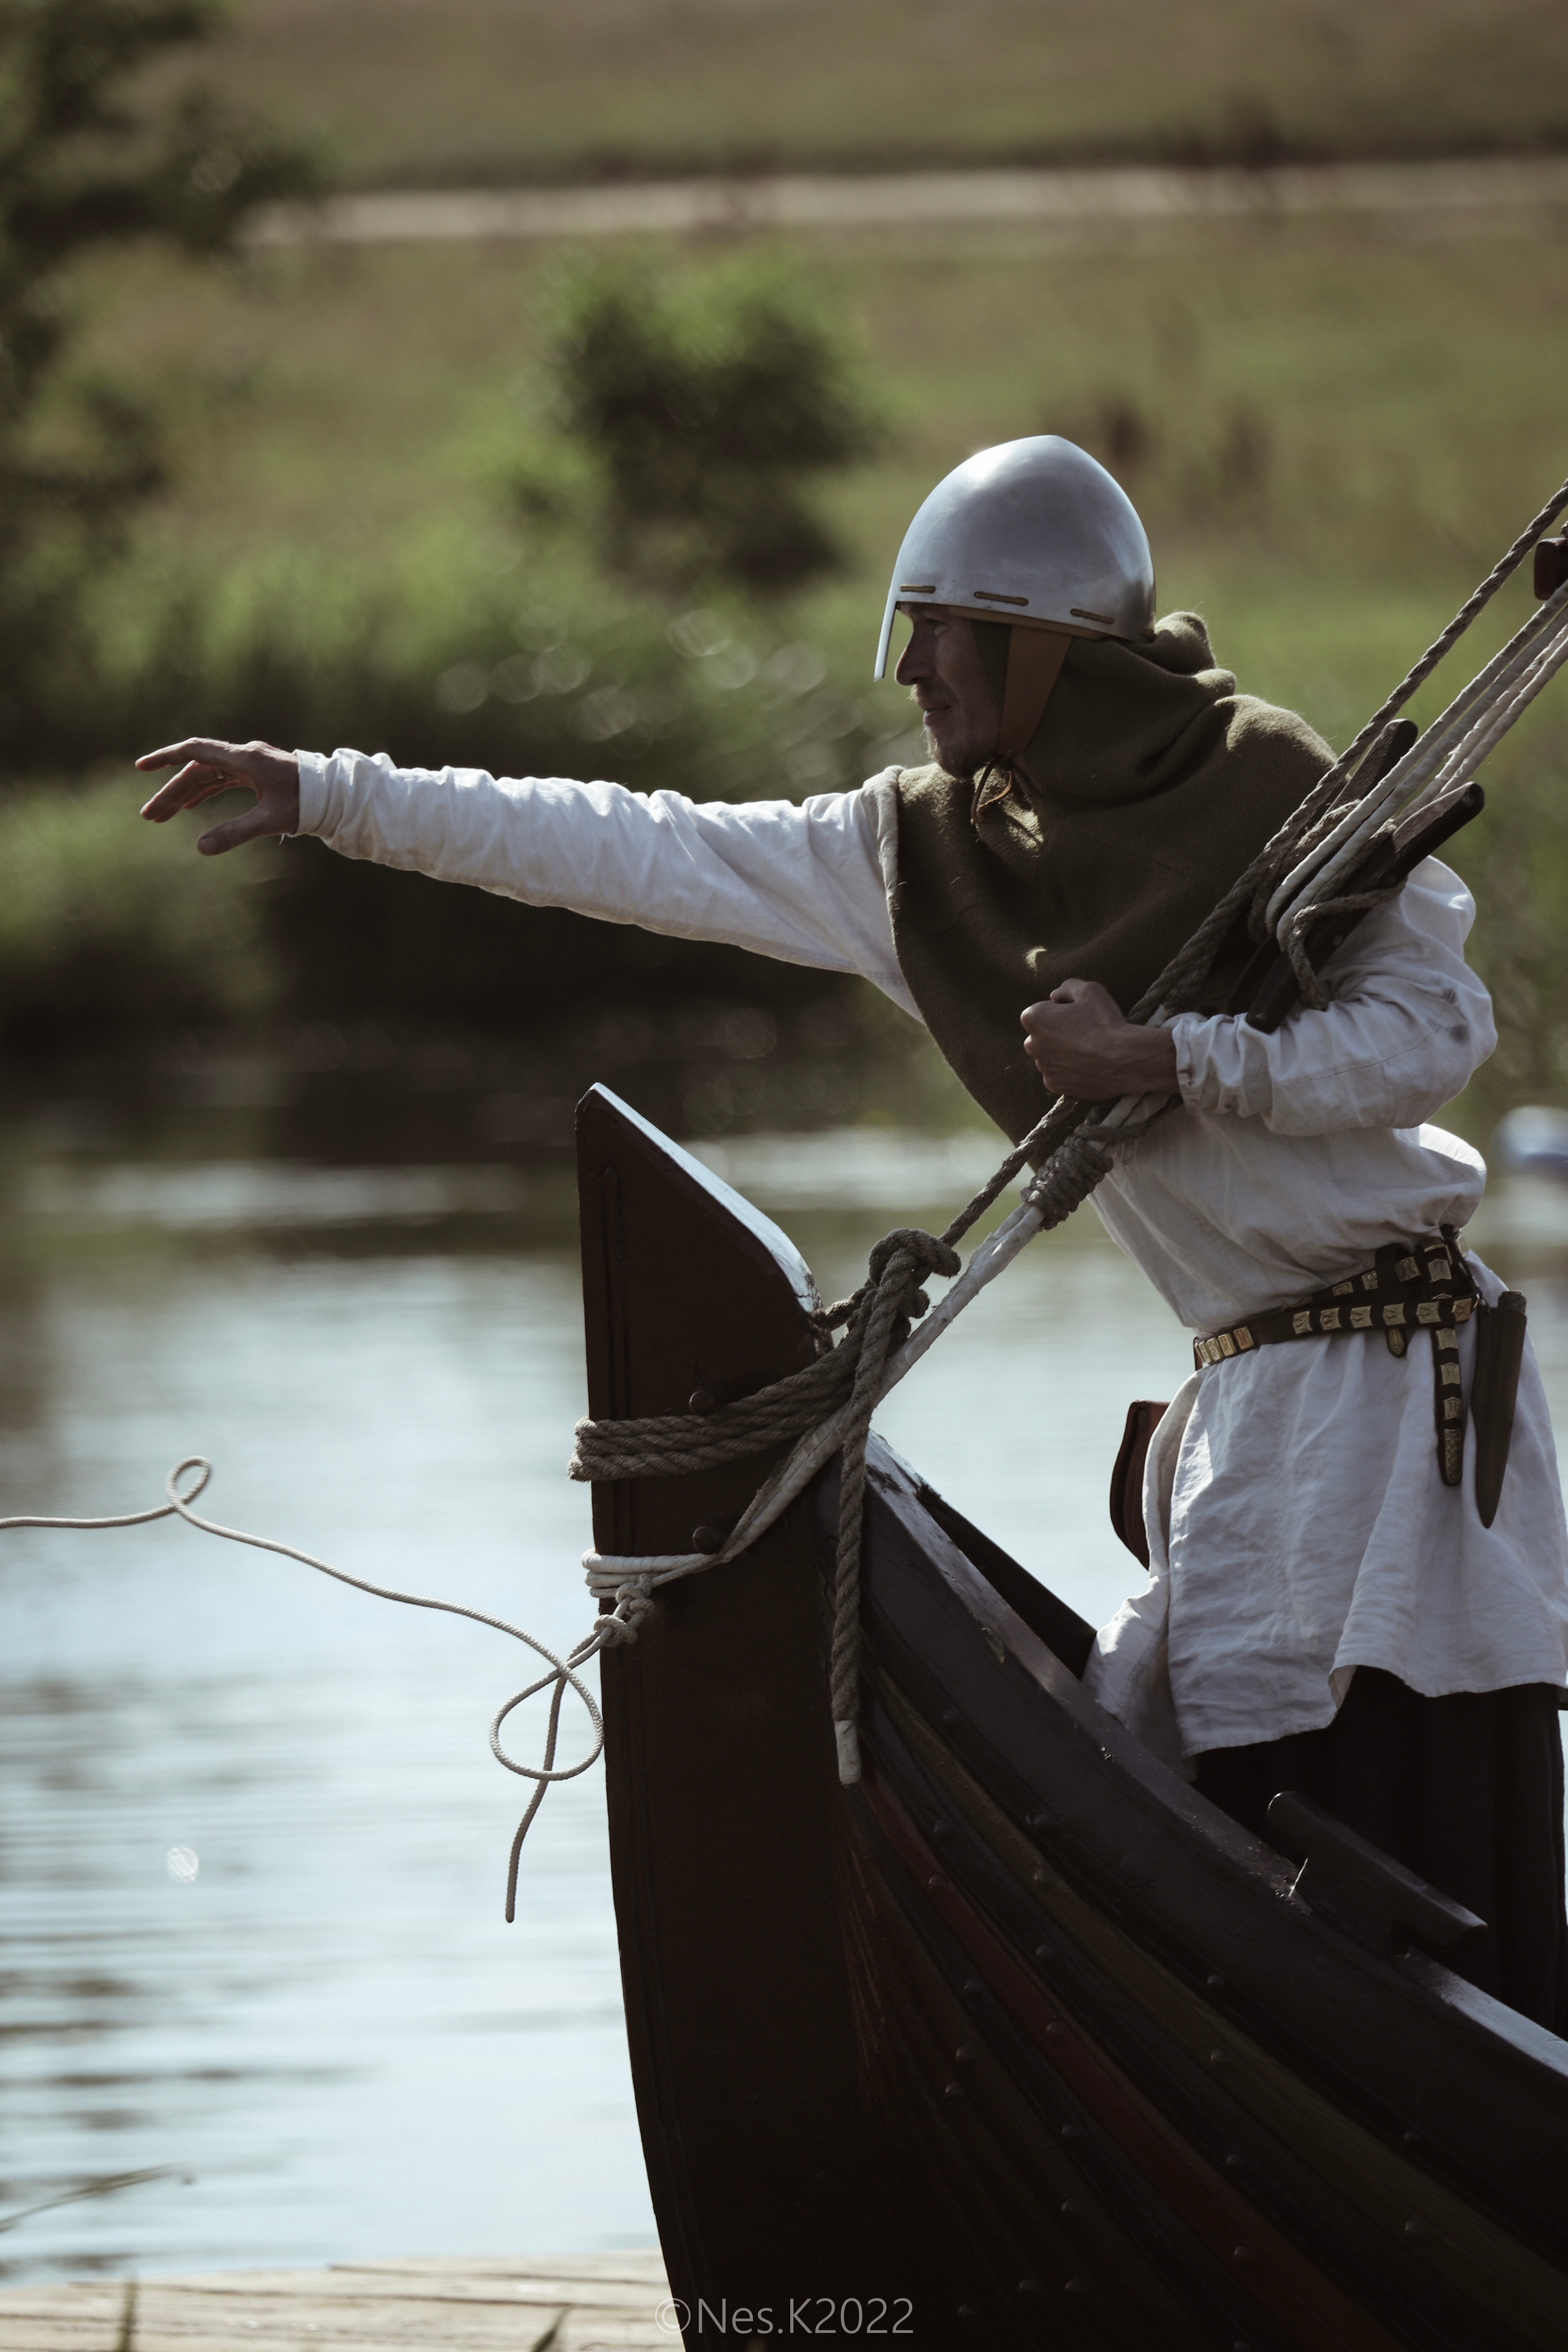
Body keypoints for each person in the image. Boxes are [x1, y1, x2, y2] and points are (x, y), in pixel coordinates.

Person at [137, 435, 1568, 2027]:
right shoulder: (923, 863)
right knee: (1224, 1833)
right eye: (912, 632)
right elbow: (636, 844)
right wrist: (332, 795)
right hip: (1256, 1407)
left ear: (1049, 648)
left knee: (1409, 1875)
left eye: (952, 634)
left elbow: (1435, 1032)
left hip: (1401, 1408)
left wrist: (1173, 1057)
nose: (919, 676)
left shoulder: (1265, 787)